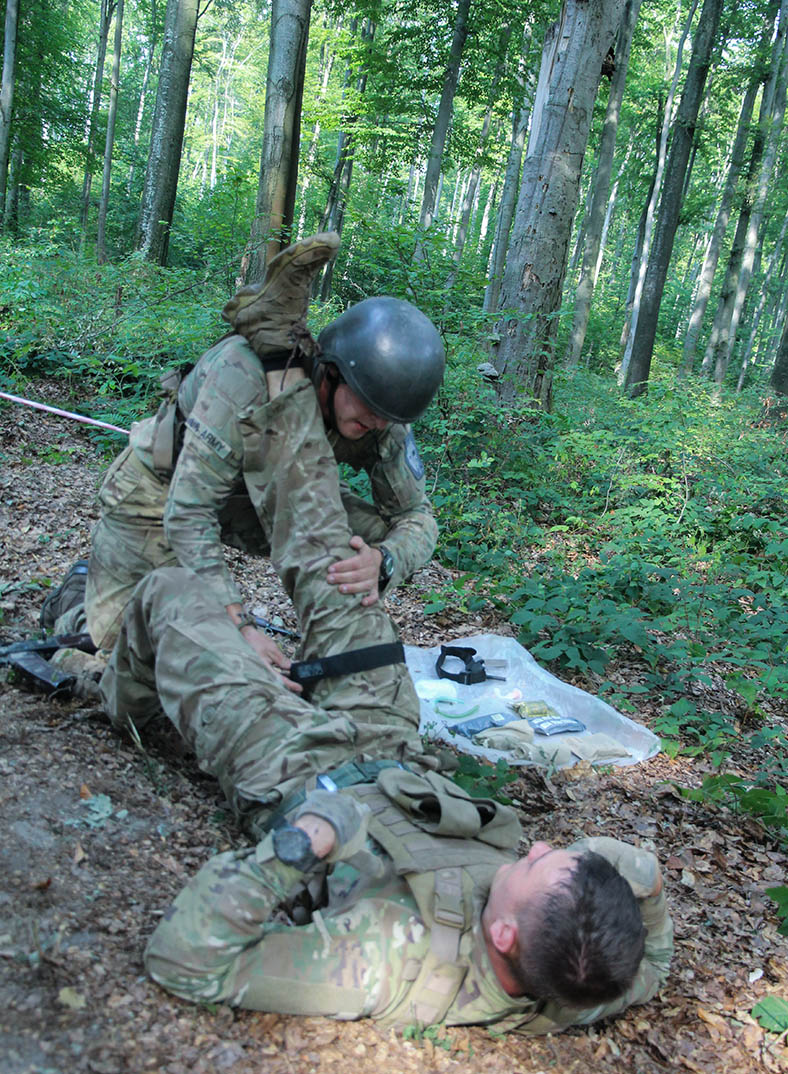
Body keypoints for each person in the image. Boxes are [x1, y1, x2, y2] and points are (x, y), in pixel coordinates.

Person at [98, 414, 672, 1032]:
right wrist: (645, 882)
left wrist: (302, 844)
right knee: (349, 572)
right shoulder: (584, 970)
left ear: (502, 935)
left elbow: (186, 961)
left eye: (532, 865)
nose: (534, 846)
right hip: (395, 750)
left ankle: (116, 701)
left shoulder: (388, 962)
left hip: (293, 766)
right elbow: (652, 965)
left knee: (175, 591)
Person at [45, 232, 444, 694]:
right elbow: (189, 512)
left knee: (365, 537)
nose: (376, 422)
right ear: (333, 371)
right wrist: (240, 626)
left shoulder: (383, 415)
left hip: (265, 495)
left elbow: (417, 517)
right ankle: (77, 595)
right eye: (368, 406)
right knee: (123, 662)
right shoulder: (242, 375)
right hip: (161, 491)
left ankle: (327, 668)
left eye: (388, 415)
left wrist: (384, 560)